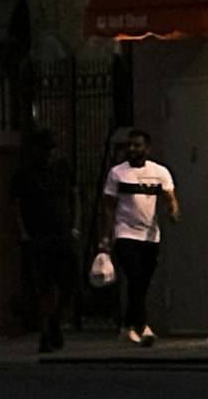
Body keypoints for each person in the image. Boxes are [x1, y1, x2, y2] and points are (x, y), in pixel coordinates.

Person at [100, 122, 180, 349]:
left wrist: (173, 209)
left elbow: (169, 196)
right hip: (125, 234)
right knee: (135, 278)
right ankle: (143, 326)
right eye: (130, 146)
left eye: (137, 145)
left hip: (150, 236)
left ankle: (128, 326)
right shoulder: (118, 173)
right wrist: (106, 237)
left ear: (148, 148)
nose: (132, 149)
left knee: (142, 283)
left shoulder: (159, 173)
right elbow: (108, 207)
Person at [14, 119, 86, 356]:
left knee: (70, 284)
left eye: (50, 148)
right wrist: (24, 233)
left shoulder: (63, 168)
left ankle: (55, 320)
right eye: (43, 149)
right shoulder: (25, 173)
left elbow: (75, 197)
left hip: (63, 234)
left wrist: (75, 225)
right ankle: (46, 333)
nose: (47, 153)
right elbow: (15, 205)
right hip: (39, 237)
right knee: (42, 287)